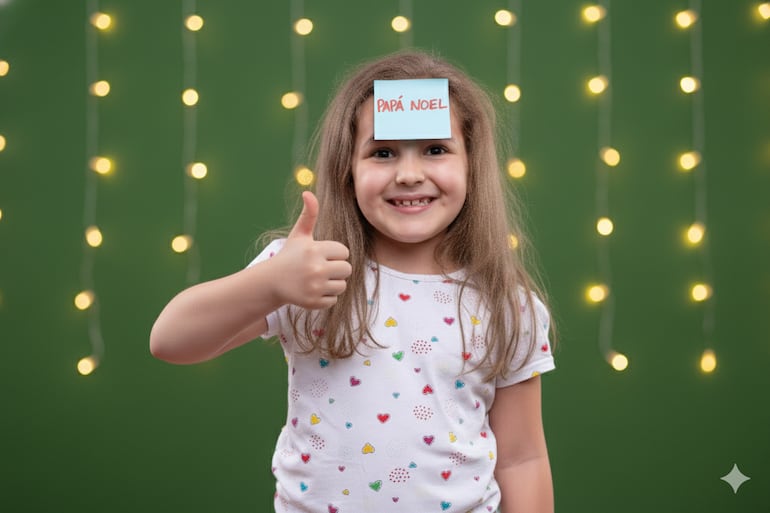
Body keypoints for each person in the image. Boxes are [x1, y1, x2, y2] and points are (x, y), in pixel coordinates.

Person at [151, 49, 556, 513]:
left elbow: (522, 459)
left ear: (472, 165)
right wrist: (271, 282)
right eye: (382, 153)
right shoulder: (307, 271)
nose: (408, 174)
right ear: (348, 169)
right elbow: (171, 341)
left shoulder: (505, 303)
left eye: (436, 150)